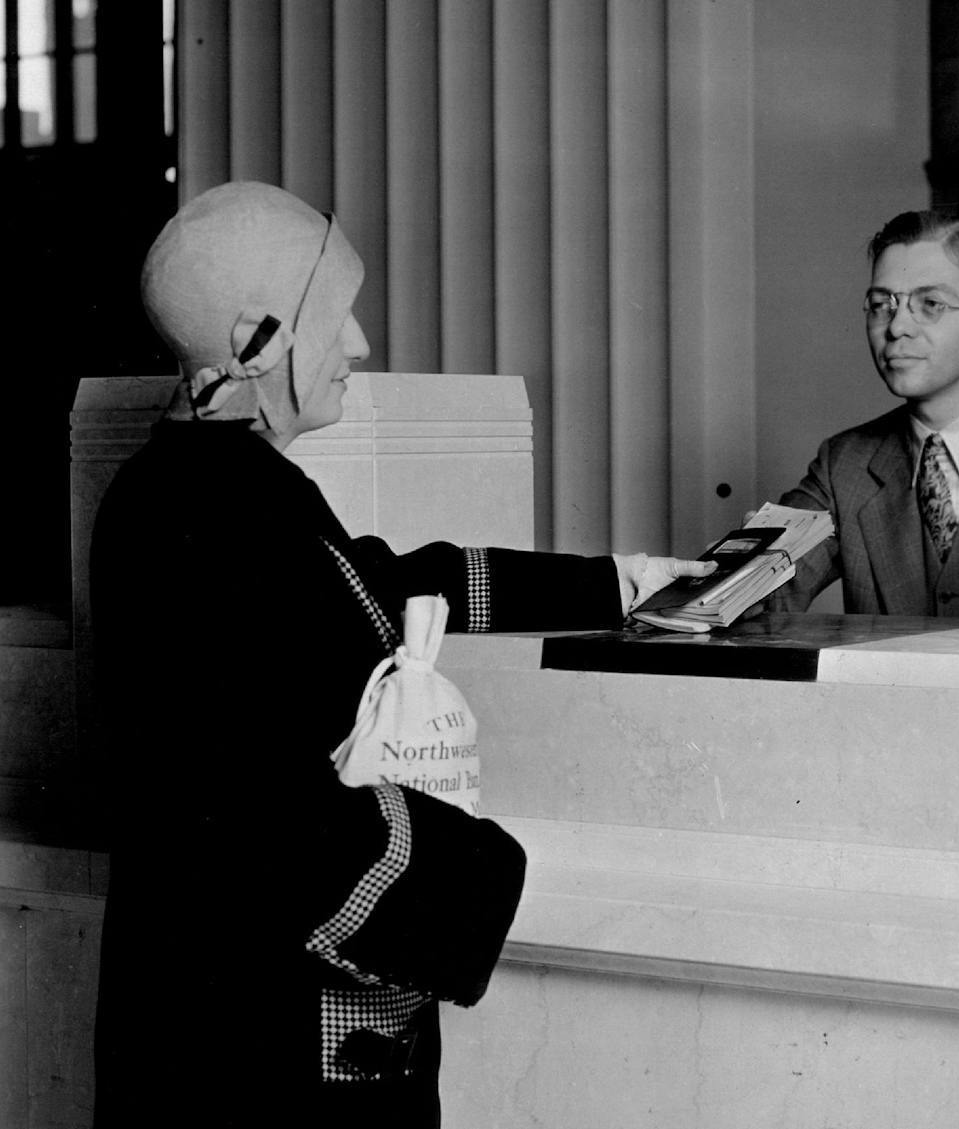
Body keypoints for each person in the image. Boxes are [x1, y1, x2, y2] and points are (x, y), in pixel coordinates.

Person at [90, 181, 711, 1128]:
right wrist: (488, 869)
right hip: (256, 1050)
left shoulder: (195, 489)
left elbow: (382, 584)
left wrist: (621, 584)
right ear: (259, 342)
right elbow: (251, 816)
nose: (360, 346)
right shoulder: (218, 513)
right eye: (335, 318)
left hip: (221, 1023)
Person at [769, 210, 959, 620]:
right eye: (882, 304)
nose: (896, 327)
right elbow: (736, 600)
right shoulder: (843, 465)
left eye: (930, 304)